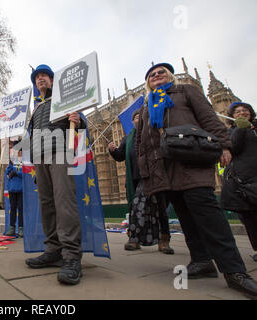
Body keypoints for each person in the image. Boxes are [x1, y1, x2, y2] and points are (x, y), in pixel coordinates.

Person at [135, 62, 257, 299]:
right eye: (152, 74)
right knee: (184, 215)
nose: (156, 75)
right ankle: (202, 260)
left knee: (209, 216)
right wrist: (145, 167)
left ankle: (235, 271)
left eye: (161, 72)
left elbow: (209, 117)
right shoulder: (148, 105)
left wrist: (224, 145)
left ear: (171, 76)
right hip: (164, 167)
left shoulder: (186, 92)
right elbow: (143, 140)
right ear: (147, 83)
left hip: (191, 159)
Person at [24, 64, 86, 285]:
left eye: (44, 76)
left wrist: (79, 120)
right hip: (39, 159)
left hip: (60, 154)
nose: (40, 79)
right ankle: (53, 250)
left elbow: (81, 122)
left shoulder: (64, 98)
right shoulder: (37, 107)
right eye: (37, 77)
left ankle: (71, 257)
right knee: (47, 204)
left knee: (64, 203)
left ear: (52, 80)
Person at [109, 109, 174, 254]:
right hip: (136, 178)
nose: (138, 119)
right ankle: (134, 239)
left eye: (140, 117)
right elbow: (120, 156)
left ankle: (164, 240)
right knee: (136, 208)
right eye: (135, 118)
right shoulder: (128, 137)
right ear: (132, 121)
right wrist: (113, 150)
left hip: (155, 175)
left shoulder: (154, 131)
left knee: (161, 209)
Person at [221, 102, 257, 262]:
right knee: (249, 217)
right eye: (237, 111)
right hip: (244, 179)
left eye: (245, 110)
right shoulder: (231, 132)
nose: (242, 113)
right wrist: (241, 129)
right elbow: (233, 148)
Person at [5, 144, 24, 237]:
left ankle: (21, 228)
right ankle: (12, 228)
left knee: (21, 209)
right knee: (12, 208)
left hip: (21, 189)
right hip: (12, 188)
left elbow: (26, 173)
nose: (18, 153)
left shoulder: (25, 161)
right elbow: (7, 172)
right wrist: (10, 172)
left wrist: (16, 173)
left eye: (20, 151)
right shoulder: (12, 161)